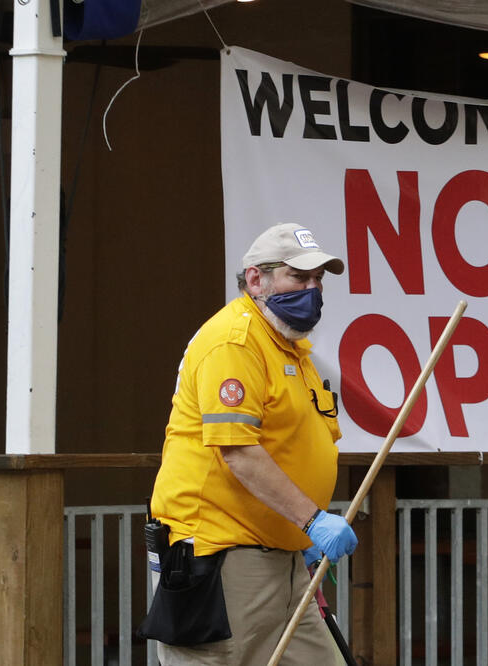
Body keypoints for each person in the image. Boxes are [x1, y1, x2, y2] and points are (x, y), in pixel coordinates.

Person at [142, 223, 357, 665]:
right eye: (299, 277)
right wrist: (312, 519)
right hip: (223, 557)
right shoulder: (234, 342)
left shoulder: (287, 346)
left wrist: (302, 533)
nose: (313, 290)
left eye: (319, 279)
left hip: (281, 556)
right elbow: (238, 451)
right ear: (255, 279)